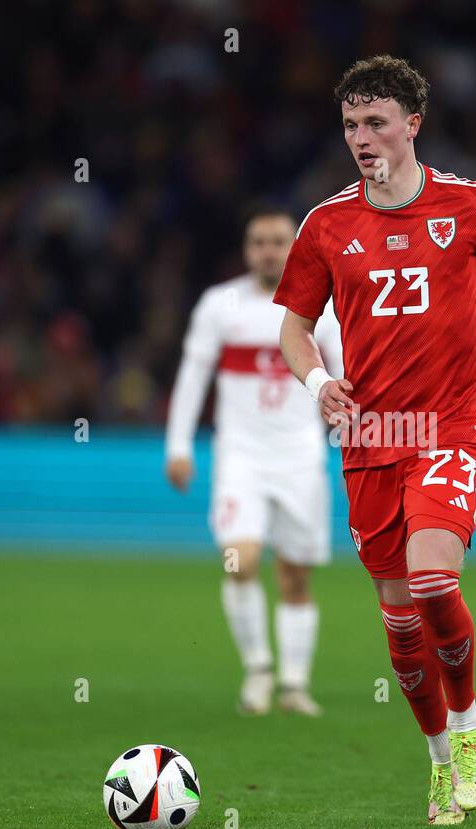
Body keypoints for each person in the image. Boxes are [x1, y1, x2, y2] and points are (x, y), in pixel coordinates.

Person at [275, 55, 476, 824]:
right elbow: (294, 331)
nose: (361, 138)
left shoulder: (468, 205)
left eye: (375, 123)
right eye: (349, 125)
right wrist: (317, 384)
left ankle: (468, 732)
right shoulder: (326, 225)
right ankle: (439, 761)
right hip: (370, 438)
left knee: (436, 585)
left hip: (451, 426)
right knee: (401, 627)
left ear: (412, 125)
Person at [166, 204, 342, 716]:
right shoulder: (221, 305)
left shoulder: (322, 307)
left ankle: (293, 684)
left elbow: (347, 368)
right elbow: (193, 377)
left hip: (300, 457)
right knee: (239, 560)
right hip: (239, 457)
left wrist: (356, 429)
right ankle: (259, 669)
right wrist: (179, 447)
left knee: (295, 574)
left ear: (295, 247)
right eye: (259, 242)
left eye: (278, 241)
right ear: (247, 250)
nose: (269, 251)